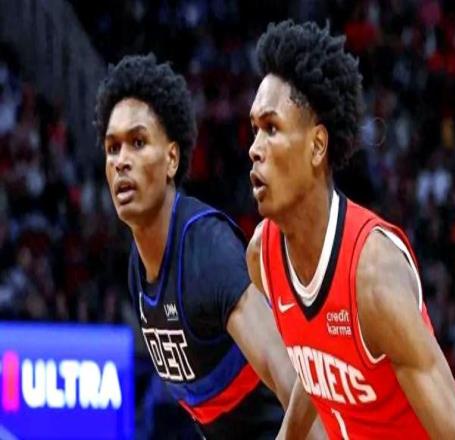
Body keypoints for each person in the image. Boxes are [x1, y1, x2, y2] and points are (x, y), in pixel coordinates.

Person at [246, 20, 455, 439]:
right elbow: (316, 360)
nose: (254, 149)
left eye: (271, 128)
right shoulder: (262, 256)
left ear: (317, 146)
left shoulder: (373, 278)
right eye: (254, 131)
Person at [94, 54, 303, 439]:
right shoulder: (138, 270)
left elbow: (297, 389)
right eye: (112, 148)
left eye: (137, 143)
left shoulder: (207, 251)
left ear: (172, 159)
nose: (121, 161)